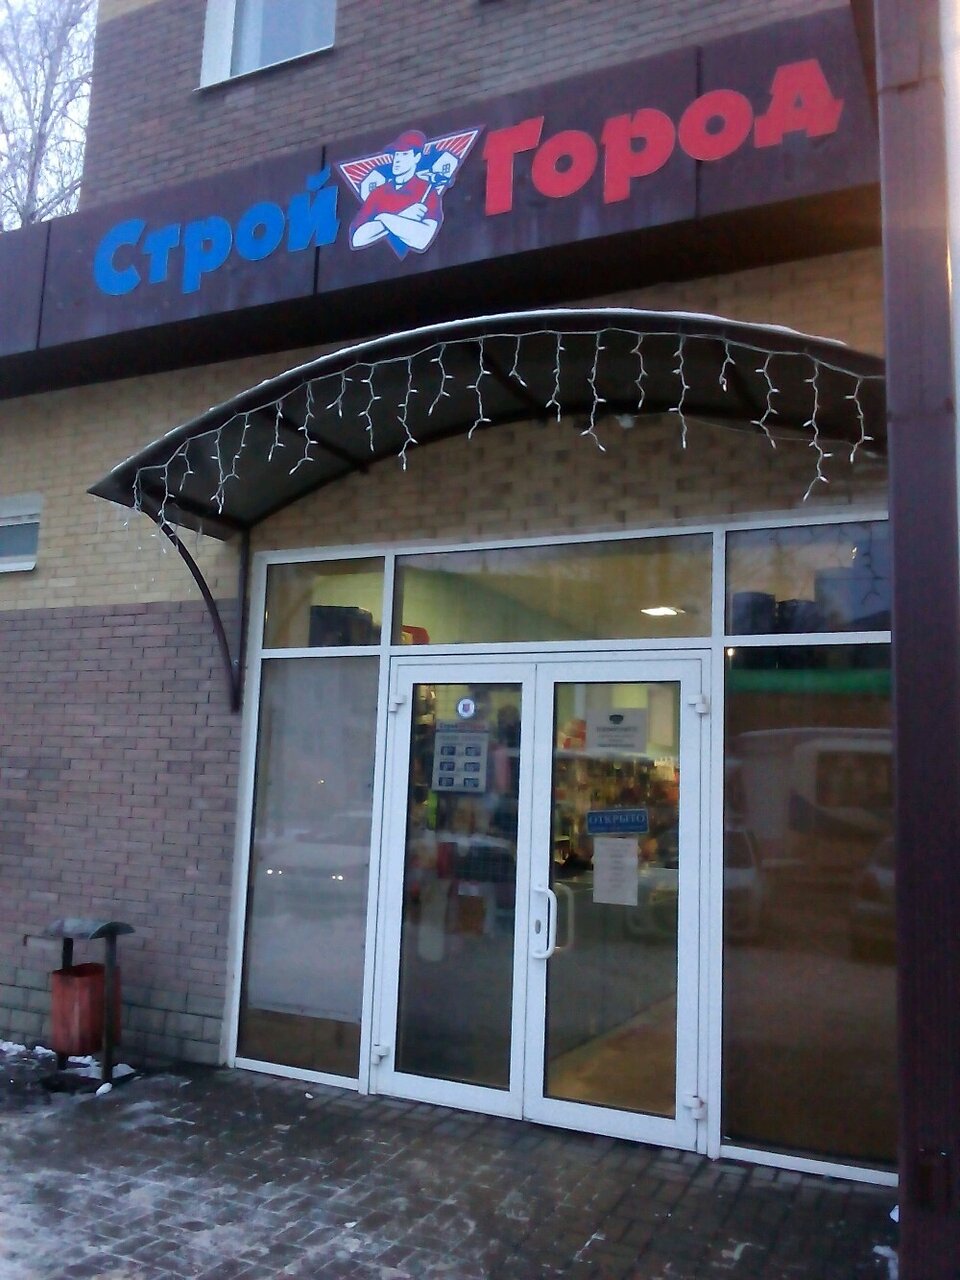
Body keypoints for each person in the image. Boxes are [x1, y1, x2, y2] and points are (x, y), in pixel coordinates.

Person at [349, 130, 443, 255]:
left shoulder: (427, 191)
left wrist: (382, 218)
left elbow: (422, 240)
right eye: (396, 154)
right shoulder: (378, 192)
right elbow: (357, 238)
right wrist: (403, 216)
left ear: (417, 157)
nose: (397, 160)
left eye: (404, 154)